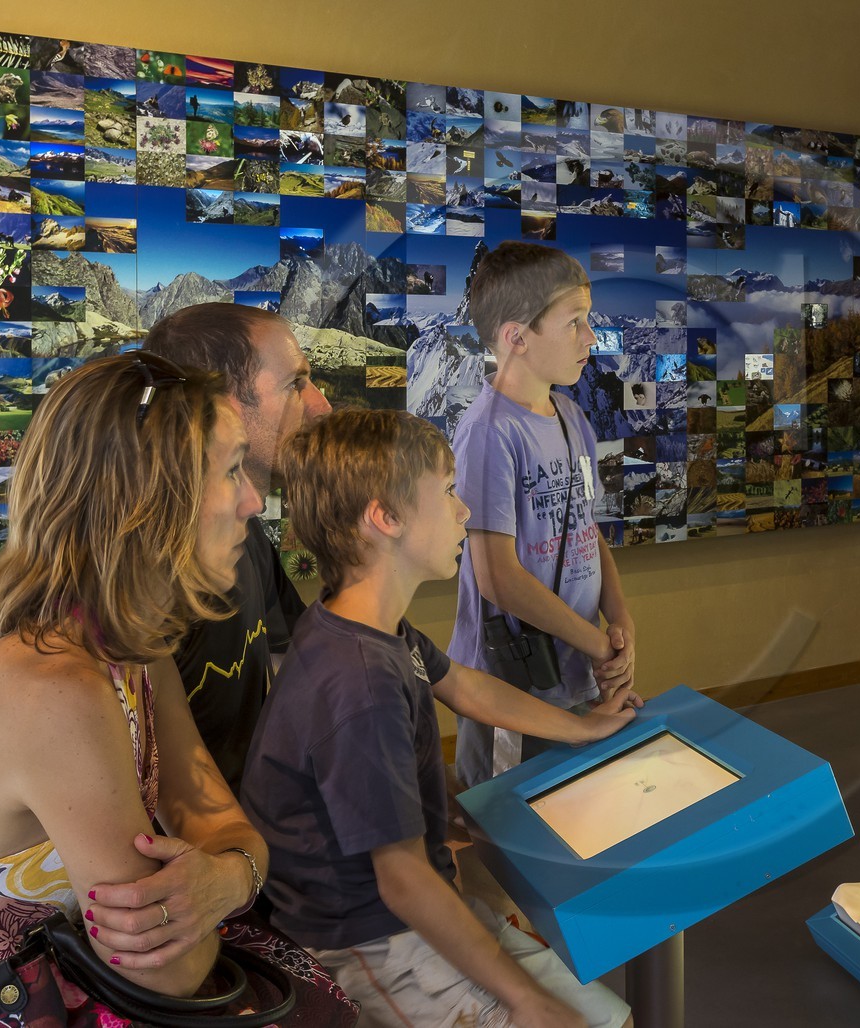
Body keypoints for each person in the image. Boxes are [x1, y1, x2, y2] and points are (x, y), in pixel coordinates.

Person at [0, 353, 272, 1022]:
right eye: (233, 470)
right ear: (149, 497)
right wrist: (224, 879)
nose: (254, 501)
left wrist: (229, 877)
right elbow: (170, 972)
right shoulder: (57, 692)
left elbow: (216, 820)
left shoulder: (131, 646)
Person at [241, 407, 637, 1028]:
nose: (464, 512)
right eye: (449, 492)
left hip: (407, 903)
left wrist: (585, 725)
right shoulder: (361, 682)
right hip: (371, 934)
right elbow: (401, 880)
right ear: (386, 517)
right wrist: (526, 1001)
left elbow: (466, 687)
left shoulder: (365, 627)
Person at [448, 242, 636, 787]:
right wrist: (599, 642)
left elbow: (586, 527)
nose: (591, 336)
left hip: (574, 669)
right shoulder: (488, 432)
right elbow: (497, 578)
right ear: (517, 337)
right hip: (511, 680)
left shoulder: (570, 414)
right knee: (509, 821)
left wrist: (621, 624)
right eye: (574, 321)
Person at [141, 302, 332, 793]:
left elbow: (293, 664)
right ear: (221, 401)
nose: (319, 405)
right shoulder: (143, 592)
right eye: (295, 384)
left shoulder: (243, 543)